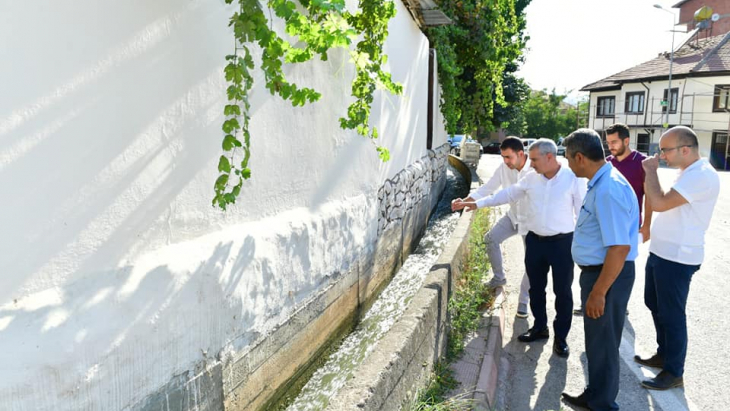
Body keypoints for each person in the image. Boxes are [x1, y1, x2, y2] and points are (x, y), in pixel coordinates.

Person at [453, 139, 585, 358]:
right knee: (536, 288)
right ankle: (539, 327)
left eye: (534, 159)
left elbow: (581, 213)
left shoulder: (572, 179)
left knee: (562, 292)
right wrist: (476, 203)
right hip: (535, 240)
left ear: (549, 157)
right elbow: (506, 194)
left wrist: (581, 246)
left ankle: (561, 338)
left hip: (562, 243)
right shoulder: (531, 178)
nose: (530, 164)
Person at [559, 129, 639, 411]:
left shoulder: (608, 189)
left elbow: (619, 248)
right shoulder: (601, 182)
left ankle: (603, 404)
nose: (567, 164)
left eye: (568, 158)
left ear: (580, 157)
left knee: (603, 344)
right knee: (598, 343)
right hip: (601, 273)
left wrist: (599, 292)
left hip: (607, 275)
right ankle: (596, 395)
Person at [635, 126, 720, 390]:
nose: (661, 155)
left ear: (685, 149)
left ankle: (674, 372)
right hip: (663, 252)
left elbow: (659, 202)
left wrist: (650, 171)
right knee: (654, 303)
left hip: (678, 257)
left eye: (665, 150)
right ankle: (664, 354)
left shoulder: (701, 175)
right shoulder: (688, 172)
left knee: (672, 314)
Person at [573, 123, 652, 316]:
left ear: (626, 140)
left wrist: (647, 225)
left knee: (607, 325)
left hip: (624, 226)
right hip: (610, 228)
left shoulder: (640, 163)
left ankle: (614, 303)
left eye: (614, 142)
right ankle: (612, 303)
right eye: (607, 142)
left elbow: (649, 195)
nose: (611, 146)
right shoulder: (607, 163)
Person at [451, 136, 532, 318]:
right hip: (513, 217)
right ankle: (498, 278)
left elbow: (504, 195)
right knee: (491, 239)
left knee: (531, 263)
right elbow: (487, 189)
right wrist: (464, 201)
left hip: (531, 223)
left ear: (521, 154)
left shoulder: (534, 170)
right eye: (502, 157)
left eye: (508, 157)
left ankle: (523, 301)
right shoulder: (504, 167)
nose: (505, 161)